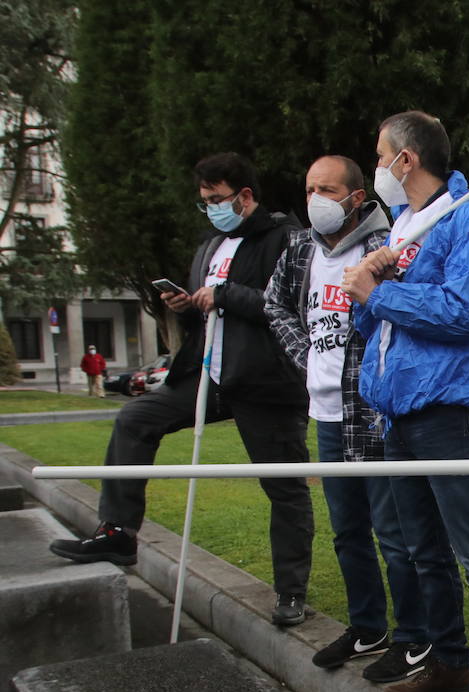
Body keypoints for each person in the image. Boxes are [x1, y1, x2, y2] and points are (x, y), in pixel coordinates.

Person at [50, 153, 315, 627]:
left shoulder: (286, 239)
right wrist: (186, 304)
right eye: (205, 202)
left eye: (217, 200)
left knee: (284, 486)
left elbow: (292, 305)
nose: (211, 208)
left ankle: (291, 591)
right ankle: (118, 531)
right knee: (134, 418)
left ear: (245, 196)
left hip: (266, 381)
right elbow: (206, 311)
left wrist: (226, 294)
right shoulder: (210, 244)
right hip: (205, 375)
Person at [340, 110, 469, 692]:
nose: (377, 168)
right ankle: (448, 665)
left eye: (379, 155)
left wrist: (378, 293)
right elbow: (382, 326)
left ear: (406, 159)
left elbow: (464, 313)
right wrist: (371, 289)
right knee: (423, 551)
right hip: (397, 411)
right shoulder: (404, 227)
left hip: (446, 411)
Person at [265, 154, 425, 675]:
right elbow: (275, 306)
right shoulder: (298, 251)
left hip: (371, 413)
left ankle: (414, 636)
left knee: (392, 531)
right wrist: (306, 354)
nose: (316, 201)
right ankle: (367, 627)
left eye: (328, 190)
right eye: (310, 189)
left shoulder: (387, 248)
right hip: (325, 415)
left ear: (356, 197)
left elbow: (403, 315)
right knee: (347, 529)